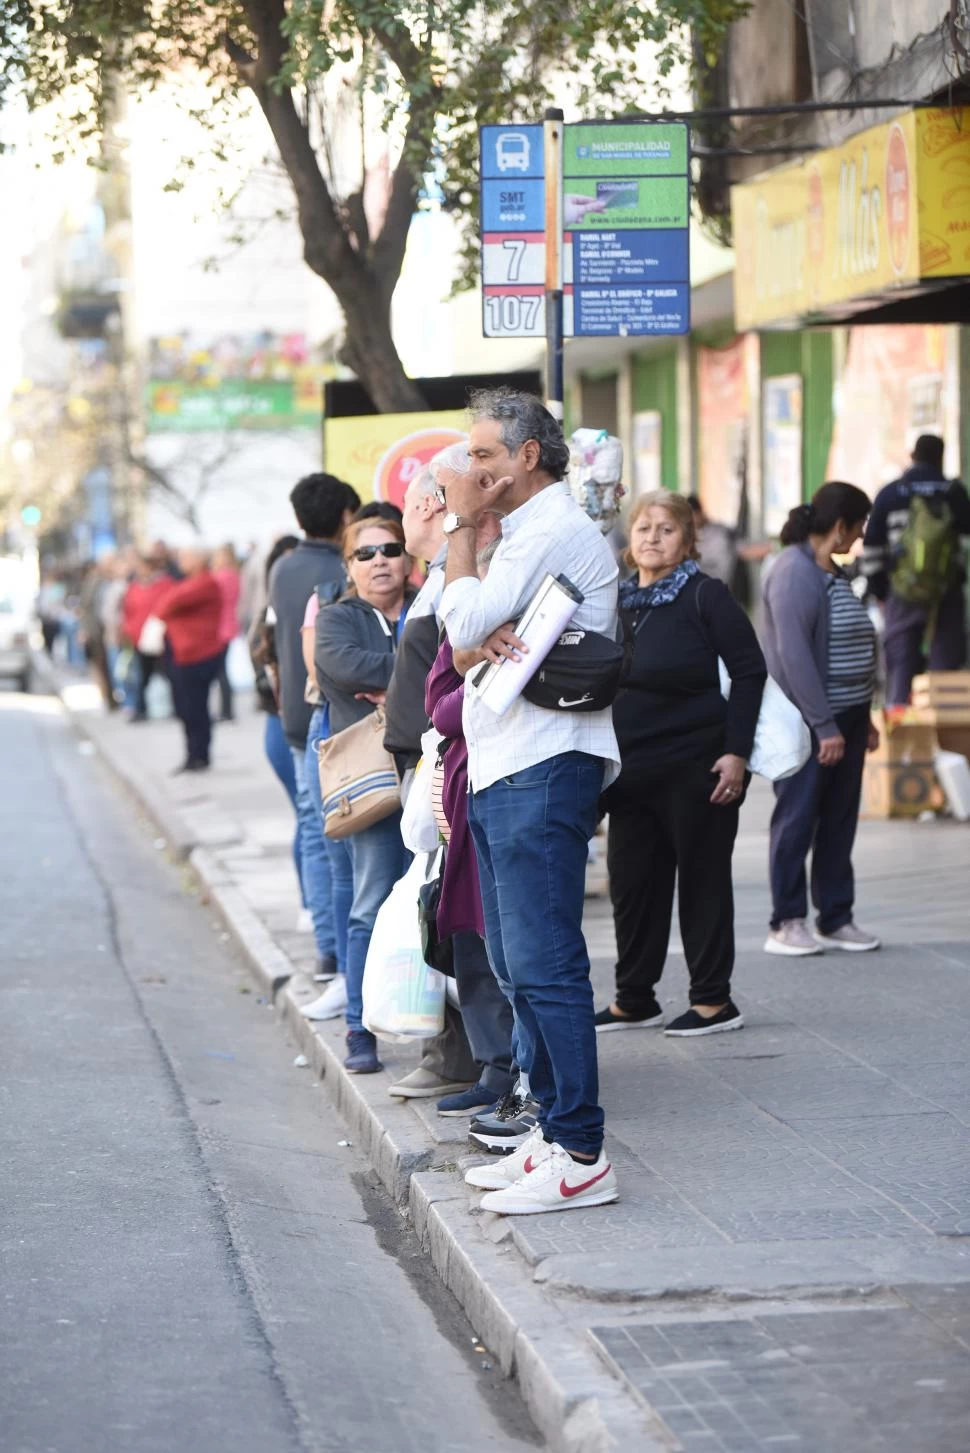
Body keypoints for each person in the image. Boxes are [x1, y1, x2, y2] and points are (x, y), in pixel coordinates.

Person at [439, 388, 621, 1217]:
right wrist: (475, 580)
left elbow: (466, 616)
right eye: (468, 456)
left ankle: (582, 1152)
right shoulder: (519, 533)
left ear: (527, 457)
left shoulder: (552, 529)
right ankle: (551, 1131)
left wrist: (456, 529)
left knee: (545, 964)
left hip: (546, 764)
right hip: (509, 761)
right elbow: (469, 637)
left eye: (483, 455)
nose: (468, 469)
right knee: (515, 963)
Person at [594, 492, 766, 1039]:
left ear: (688, 541)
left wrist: (737, 752)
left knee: (702, 882)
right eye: (643, 527)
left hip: (698, 766)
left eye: (666, 529)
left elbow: (749, 672)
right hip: (631, 771)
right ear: (629, 541)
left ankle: (714, 1002)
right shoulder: (616, 601)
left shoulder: (705, 595)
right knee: (632, 886)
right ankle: (633, 998)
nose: (652, 537)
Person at [311, 519, 415, 1074]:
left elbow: (455, 664)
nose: (379, 561)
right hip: (373, 782)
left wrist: (395, 679)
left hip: (434, 773)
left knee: (439, 906)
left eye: (390, 550)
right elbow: (344, 666)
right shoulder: (335, 620)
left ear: (407, 557)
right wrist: (415, 672)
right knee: (370, 904)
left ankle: (434, 1029)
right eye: (365, 553)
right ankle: (358, 1029)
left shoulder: (430, 606)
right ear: (349, 566)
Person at [762, 482, 882, 956]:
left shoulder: (830, 569)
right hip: (812, 723)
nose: (862, 533)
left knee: (838, 819)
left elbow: (849, 643)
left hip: (848, 716)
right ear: (840, 526)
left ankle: (836, 916)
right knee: (797, 817)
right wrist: (824, 726)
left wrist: (864, 717)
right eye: (860, 524)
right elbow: (795, 658)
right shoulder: (793, 571)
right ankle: (786, 920)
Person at [269, 473, 360, 982]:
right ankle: (341, 946)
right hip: (338, 718)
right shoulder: (343, 573)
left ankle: (327, 948)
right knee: (344, 836)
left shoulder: (282, 568)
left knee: (313, 829)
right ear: (347, 518)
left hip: (294, 720)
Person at [861, 434, 970, 706]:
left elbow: (872, 549)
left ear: (913, 456)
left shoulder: (891, 493)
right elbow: (966, 547)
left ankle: (901, 733)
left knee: (900, 667)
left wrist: (881, 592)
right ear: (940, 457)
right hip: (946, 594)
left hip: (903, 593)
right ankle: (944, 736)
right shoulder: (955, 493)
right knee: (944, 673)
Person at [249, 535, 305, 909]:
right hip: (281, 727)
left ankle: (310, 905)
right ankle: (308, 906)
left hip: (286, 726)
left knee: (311, 820)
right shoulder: (270, 616)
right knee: (308, 819)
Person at [156, 547, 224, 773]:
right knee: (187, 708)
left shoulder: (204, 583)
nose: (181, 561)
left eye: (186, 556)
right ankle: (194, 754)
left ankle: (199, 755)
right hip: (185, 654)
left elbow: (167, 603)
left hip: (198, 655)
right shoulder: (191, 582)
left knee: (195, 708)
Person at [122, 555, 171, 721]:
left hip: (160, 636)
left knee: (167, 673)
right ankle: (140, 709)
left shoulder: (164, 584)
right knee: (142, 674)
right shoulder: (134, 588)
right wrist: (129, 630)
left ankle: (174, 706)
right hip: (140, 638)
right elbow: (128, 611)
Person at [211, 544, 242, 722]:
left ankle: (226, 710)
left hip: (222, 626)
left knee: (222, 671)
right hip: (228, 624)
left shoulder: (222, 577)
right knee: (223, 670)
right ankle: (226, 709)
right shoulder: (233, 575)